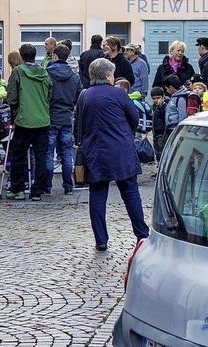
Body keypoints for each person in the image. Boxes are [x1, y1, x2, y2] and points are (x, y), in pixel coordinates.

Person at [79, 58, 149, 250]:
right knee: (130, 193)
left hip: (96, 151)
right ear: (109, 76)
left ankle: (101, 240)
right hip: (121, 150)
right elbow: (134, 119)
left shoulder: (85, 95)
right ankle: (141, 234)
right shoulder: (118, 94)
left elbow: (80, 125)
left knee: (98, 195)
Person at [6, 44, 52, 201]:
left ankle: (18, 189)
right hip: (43, 120)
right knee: (41, 156)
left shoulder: (18, 72)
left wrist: (16, 110)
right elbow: (49, 94)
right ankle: (37, 191)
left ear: (22, 55)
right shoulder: (44, 72)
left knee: (18, 155)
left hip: (24, 120)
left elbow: (11, 96)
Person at [45, 44, 82, 195]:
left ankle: (47, 186)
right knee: (67, 153)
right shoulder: (74, 76)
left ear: (54, 55)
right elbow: (79, 97)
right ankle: (68, 186)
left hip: (50, 116)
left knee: (48, 153)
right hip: (67, 117)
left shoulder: (46, 74)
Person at [150, 86, 169, 162]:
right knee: (157, 153)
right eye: (154, 98)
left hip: (163, 134)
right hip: (155, 134)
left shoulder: (165, 108)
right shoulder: (154, 108)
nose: (156, 100)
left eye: (158, 98)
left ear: (163, 97)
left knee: (163, 153)